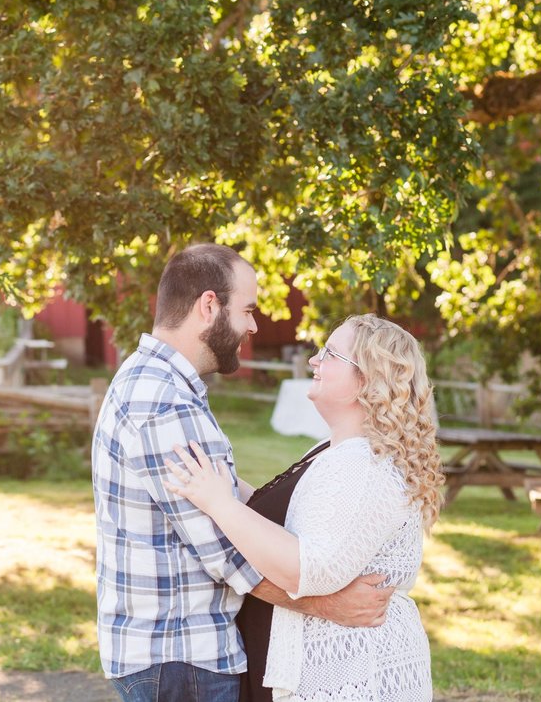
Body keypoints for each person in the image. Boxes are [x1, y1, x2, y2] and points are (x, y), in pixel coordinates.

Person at [92, 245, 396, 702]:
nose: (254, 326)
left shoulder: (159, 384)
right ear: (208, 306)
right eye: (247, 310)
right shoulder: (163, 402)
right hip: (182, 658)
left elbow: (232, 502)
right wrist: (331, 605)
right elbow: (228, 555)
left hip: (175, 656)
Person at [164, 313, 442, 701]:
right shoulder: (335, 452)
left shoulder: (364, 466)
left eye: (329, 354)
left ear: (365, 380)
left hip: (349, 677)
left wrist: (218, 502)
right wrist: (216, 482)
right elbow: (276, 516)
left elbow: (307, 570)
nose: (314, 361)